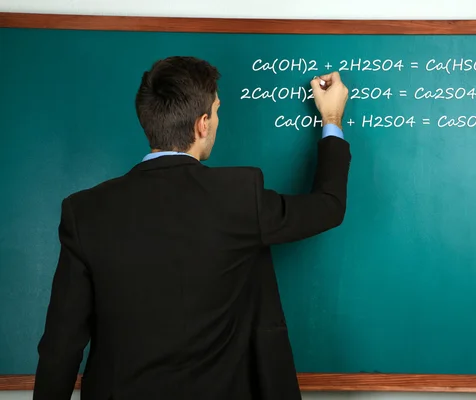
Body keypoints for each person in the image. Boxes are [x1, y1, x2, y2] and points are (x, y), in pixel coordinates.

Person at [32, 56, 351, 400]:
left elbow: (60, 346)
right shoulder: (240, 197)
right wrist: (332, 119)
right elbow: (328, 206)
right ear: (202, 124)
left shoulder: (85, 211)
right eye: (216, 110)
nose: (216, 120)